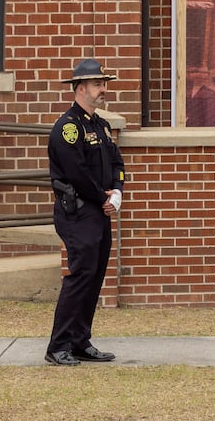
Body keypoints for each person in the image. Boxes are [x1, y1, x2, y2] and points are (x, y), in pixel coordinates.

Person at [45, 58, 125, 366]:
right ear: (80, 88)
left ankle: (80, 341)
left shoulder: (100, 126)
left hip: (100, 211)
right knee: (80, 276)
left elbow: (117, 163)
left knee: (94, 276)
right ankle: (58, 345)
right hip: (78, 212)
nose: (103, 89)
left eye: (104, 84)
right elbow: (76, 172)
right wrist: (101, 196)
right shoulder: (68, 127)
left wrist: (116, 192)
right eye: (97, 84)